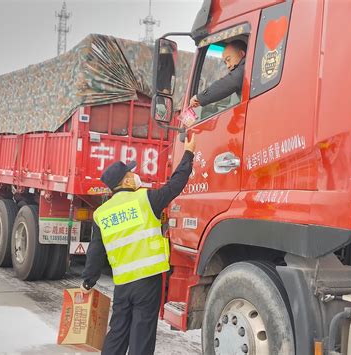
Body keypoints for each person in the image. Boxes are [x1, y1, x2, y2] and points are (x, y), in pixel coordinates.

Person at [80, 133, 196, 355]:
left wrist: (88, 281)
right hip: (147, 281)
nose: (136, 174)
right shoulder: (146, 200)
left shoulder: (101, 213)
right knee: (142, 333)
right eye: (131, 172)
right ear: (125, 181)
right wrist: (188, 152)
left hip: (123, 283)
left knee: (118, 330)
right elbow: (176, 184)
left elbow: (95, 251)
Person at [189, 39, 246, 108]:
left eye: (228, 59)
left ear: (241, 54)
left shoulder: (245, 68)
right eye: (225, 63)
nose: (228, 66)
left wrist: (200, 98)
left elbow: (228, 83)